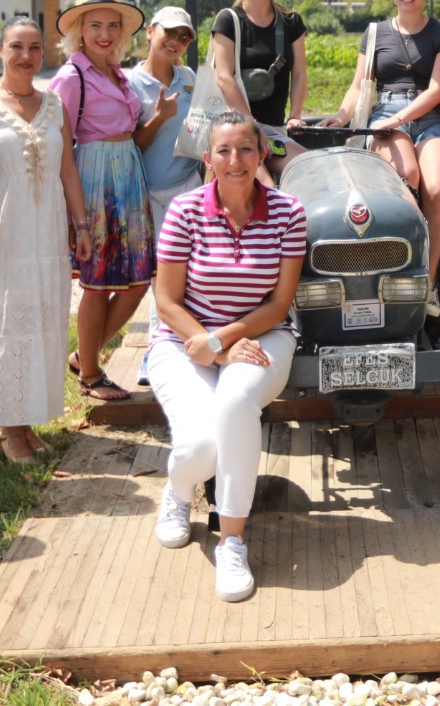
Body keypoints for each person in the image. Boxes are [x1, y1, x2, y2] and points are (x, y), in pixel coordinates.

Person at [148, 112, 307, 602]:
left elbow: (279, 304)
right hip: (182, 341)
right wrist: (211, 344)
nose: (235, 160)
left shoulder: (289, 212)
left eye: (245, 150)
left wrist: (224, 342)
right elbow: (167, 301)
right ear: (208, 158)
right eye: (224, 151)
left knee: (237, 402)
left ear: (263, 155)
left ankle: (231, 540)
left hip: (264, 337)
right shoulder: (185, 211)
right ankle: (177, 493)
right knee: (199, 449)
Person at [0, 18, 92, 464]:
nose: (25, 56)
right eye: (16, 47)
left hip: (45, 232)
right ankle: (8, 429)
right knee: (5, 324)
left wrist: (82, 225)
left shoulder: (54, 106)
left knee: (40, 322)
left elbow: (67, 169)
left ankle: (26, 423)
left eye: (33, 47)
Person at [325, 0, 440, 314]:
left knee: (439, 190)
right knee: (407, 175)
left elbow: (437, 89)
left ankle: (426, 284)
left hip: (426, 117)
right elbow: (359, 85)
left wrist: (401, 118)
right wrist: (341, 116)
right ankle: (397, 268)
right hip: (384, 114)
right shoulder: (375, 33)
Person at [49, 0, 156, 403]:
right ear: (78, 30)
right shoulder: (70, 76)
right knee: (97, 284)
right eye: (95, 25)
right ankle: (91, 374)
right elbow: (62, 151)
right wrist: (77, 218)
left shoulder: (118, 73)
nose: (105, 33)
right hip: (94, 181)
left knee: (137, 281)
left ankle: (84, 356)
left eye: (113, 25)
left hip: (128, 176)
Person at [211, 0, 308, 180]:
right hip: (236, 129)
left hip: (274, 131)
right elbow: (224, 78)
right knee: (266, 188)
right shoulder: (228, 20)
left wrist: (294, 114)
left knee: (309, 169)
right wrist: (252, 129)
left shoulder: (291, 21)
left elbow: (299, 74)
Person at [129, 6, 204, 233]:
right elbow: (128, 148)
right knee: (155, 266)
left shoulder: (189, 76)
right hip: (145, 192)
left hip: (187, 185)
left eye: (183, 38)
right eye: (170, 32)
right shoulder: (129, 83)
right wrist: (159, 119)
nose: (175, 42)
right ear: (150, 31)